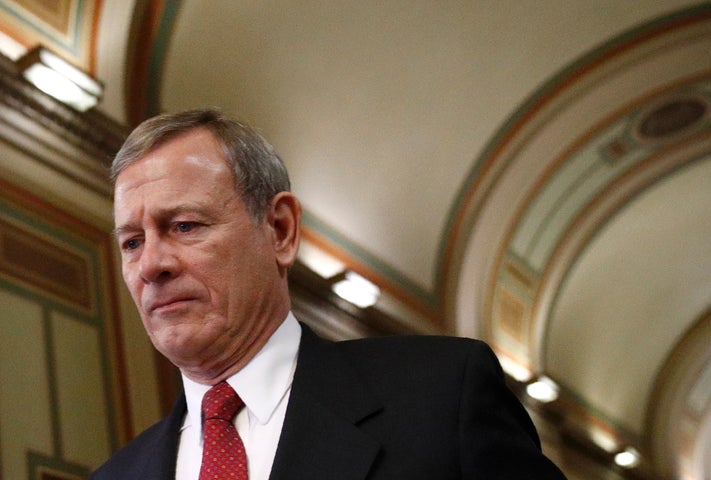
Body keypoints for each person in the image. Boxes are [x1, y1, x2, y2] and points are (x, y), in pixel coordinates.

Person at [91, 108, 567, 480]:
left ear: (279, 230)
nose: (152, 264)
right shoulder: (115, 476)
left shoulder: (441, 397)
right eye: (132, 242)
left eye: (184, 225)